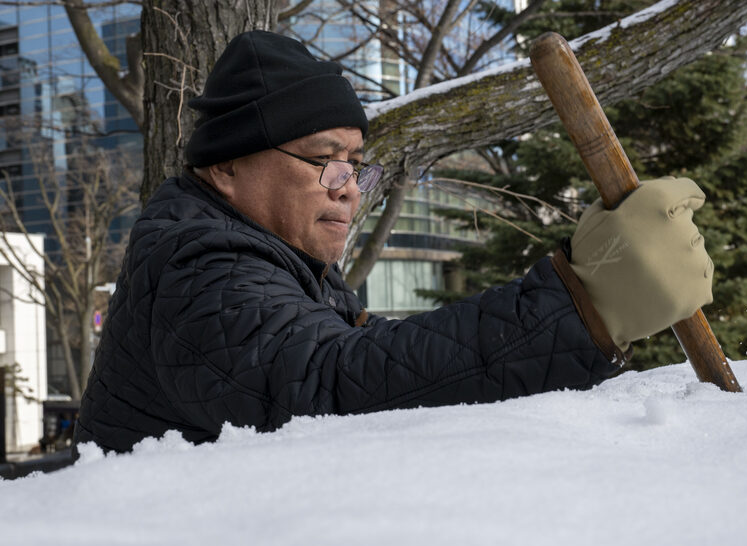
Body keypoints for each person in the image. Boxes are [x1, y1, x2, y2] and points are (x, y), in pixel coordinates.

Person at [74, 30, 713, 453]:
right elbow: (334, 388)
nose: (348, 189)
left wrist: (576, 311)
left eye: (354, 163)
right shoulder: (199, 269)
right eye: (325, 159)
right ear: (226, 168)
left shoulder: (284, 261)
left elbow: (378, 355)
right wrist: (581, 307)